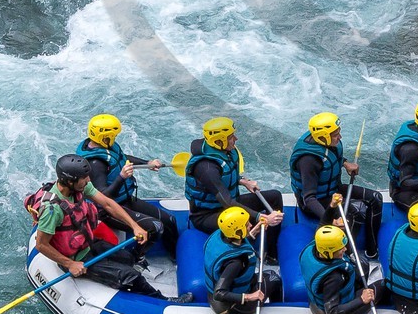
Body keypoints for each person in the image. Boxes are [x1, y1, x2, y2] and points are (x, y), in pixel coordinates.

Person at [26, 155, 163, 299]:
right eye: (84, 178)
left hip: (88, 244)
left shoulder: (79, 187)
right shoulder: (52, 210)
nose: (88, 180)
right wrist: (70, 264)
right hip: (74, 258)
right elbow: (41, 245)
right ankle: (160, 298)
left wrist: (134, 226)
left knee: (127, 258)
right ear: (70, 181)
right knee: (131, 275)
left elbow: (107, 204)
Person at [75, 114, 177, 257]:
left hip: (124, 199)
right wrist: (122, 177)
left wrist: (147, 163)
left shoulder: (105, 146)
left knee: (170, 220)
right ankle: (136, 258)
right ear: (104, 136)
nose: (115, 138)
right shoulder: (96, 164)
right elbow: (104, 197)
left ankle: (175, 257)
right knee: (156, 227)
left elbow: (122, 158)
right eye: (113, 135)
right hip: (107, 210)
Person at [184, 116, 284, 257]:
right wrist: (260, 217)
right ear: (219, 141)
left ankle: (271, 254)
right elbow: (228, 202)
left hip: (228, 204)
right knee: (240, 221)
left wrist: (243, 181)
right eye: (231, 137)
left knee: (275, 196)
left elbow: (224, 175)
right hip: (207, 215)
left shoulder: (224, 151)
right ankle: (244, 254)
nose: (235, 139)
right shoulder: (206, 168)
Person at [289, 111, 381, 259]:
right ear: (323, 136)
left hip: (333, 190)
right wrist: (330, 219)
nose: (340, 137)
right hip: (317, 200)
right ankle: (348, 255)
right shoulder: (309, 160)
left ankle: (372, 250)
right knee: (357, 211)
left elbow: (330, 154)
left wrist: (345, 163)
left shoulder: (325, 142)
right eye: (336, 135)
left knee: (376, 197)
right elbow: (309, 198)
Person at [299, 223, 386, 314]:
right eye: (340, 248)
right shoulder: (334, 278)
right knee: (383, 285)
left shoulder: (313, 248)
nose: (344, 249)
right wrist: (362, 300)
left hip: (318, 301)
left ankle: (359, 290)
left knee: (363, 264)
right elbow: (333, 313)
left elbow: (323, 225)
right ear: (329, 253)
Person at [201, 206, 281, 314]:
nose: (250, 225)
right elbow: (219, 293)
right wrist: (249, 296)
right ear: (238, 231)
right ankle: (280, 311)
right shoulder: (236, 263)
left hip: (214, 295)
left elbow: (238, 245)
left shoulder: (221, 236)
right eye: (247, 224)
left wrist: (255, 231)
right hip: (234, 307)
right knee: (274, 277)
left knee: (263, 276)